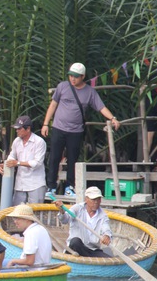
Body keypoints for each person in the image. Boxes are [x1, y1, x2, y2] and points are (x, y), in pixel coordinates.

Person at [41, 62, 121, 196]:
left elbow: (101, 107)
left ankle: (69, 186)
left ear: (83, 76)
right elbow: (53, 105)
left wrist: (112, 118)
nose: (73, 79)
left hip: (75, 131)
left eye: (76, 76)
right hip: (58, 128)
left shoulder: (90, 91)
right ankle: (51, 187)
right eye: (71, 75)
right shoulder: (62, 86)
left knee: (73, 159)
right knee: (54, 157)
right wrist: (45, 124)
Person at [0, 115, 47, 205]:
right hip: (20, 183)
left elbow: (37, 163)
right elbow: (11, 157)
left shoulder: (39, 142)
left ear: (28, 129)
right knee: (18, 213)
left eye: (19, 129)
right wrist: (5, 166)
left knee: (35, 212)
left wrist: (17, 163)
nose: (17, 131)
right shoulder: (16, 141)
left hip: (35, 183)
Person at [53, 186, 113, 257]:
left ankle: (87, 259)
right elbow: (65, 220)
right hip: (74, 248)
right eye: (93, 199)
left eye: (98, 199)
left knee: (108, 258)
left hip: (91, 250)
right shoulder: (77, 208)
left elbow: (106, 228)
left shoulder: (103, 215)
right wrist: (62, 211)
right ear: (86, 199)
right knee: (75, 241)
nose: (96, 202)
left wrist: (107, 236)